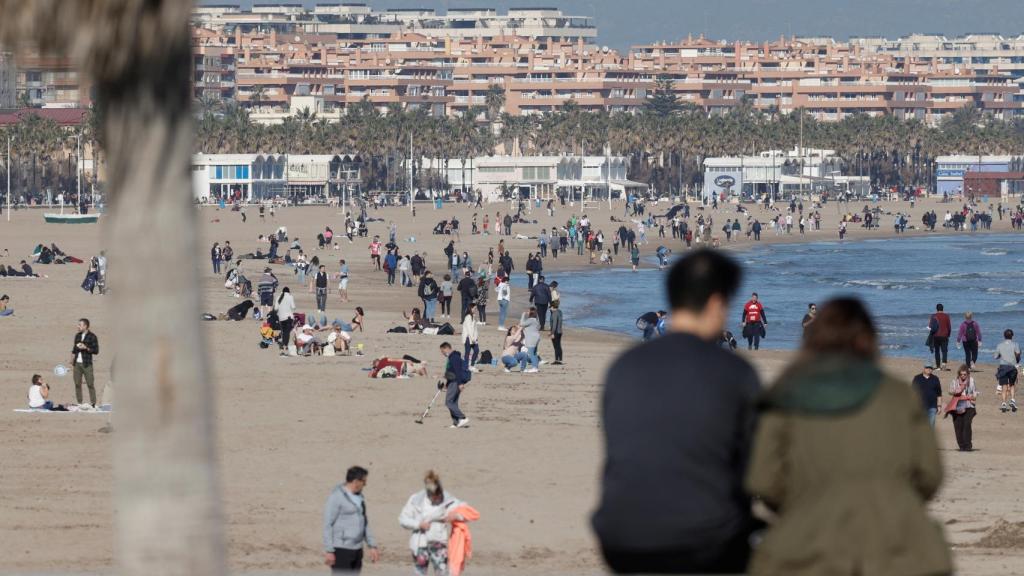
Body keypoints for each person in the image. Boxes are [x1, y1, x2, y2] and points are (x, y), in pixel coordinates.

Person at [746, 297, 951, 576]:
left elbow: (763, 480)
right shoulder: (898, 395)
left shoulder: (786, 394)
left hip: (805, 548)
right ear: (868, 339)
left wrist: (803, 503)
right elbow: (930, 475)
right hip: (896, 546)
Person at [593, 249, 760, 574]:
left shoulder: (624, 366)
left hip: (619, 534)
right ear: (715, 303)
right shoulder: (733, 372)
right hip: (699, 537)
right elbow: (754, 466)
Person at [398, 471, 463, 576]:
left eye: (439, 495)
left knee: (442, 573)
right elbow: (402, 519)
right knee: (420, 573)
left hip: (439, 543)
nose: (438, 498)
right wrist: (419, 524)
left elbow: (465, 510)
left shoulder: (447, 499)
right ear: (429, 493)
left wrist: (456, 515)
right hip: (419, 544)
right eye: (435, 496)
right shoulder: (416, 499)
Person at [322, 466, 380, 573]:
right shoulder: (336, 497)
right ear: (356, 481)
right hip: (341, 549)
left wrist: (372, 545)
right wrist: (329, 550)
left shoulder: (360, 497)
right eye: (364, 481)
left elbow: (365, 522)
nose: (365, 484)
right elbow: (328, 524)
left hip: (357, 549)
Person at [946, 364, 978, 451]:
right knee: (958, 427)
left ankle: (968, 446)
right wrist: (956, 391)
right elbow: (950, 391)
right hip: (957, 406)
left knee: (967, 425)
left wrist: (971, 397)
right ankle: (962, 446)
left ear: (968, 374)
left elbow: (975, 392)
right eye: (961, 374)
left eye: (965, 374)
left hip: (969, 406)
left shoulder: (971, 381)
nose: (963, 376)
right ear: (959, 374)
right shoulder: (954, 381)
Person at [440, 342, 470, 428]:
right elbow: (451, 372)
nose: (443, 353)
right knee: (454, 403)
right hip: (452, 382)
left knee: (448, 402)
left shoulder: (454, 357)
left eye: (442, 351)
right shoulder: (452, 357)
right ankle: (456, 422)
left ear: (446, 348)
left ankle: (462, 417)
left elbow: (457, 372)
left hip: (456, 382)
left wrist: (460, 384)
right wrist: (446, 384)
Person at [71, 318, 100, 407]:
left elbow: (96, 351)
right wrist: (72, 359)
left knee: (90, 383)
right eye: (78, 325)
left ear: (85, 326)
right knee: (77, 384)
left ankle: (93, 403)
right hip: (77, 364)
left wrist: (86, 348)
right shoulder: (77, 336)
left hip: (87, 364)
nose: (78, 326)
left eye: (80, 325)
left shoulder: (92, 336)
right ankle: (79, 403)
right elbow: (74, 349)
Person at [994, 329, 1020, 413]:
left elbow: (995, 356)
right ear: (1012, 336)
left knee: (1004, 386)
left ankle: (1004, 403)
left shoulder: (1000, 345)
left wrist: (1001, 355)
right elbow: (1018, 354)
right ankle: (1012, 399)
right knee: (1012, 385)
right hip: (1012, 367)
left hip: (1003, 367)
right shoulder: (1015, 344)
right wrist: (1016, 360)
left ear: (1004, 336)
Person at [928, 303, 952, 371]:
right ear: (943, 309)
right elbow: (949, 327)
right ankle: (944, 363)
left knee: (937, 351)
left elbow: (930, 327)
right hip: (944, 335)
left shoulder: (933, 316)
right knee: (944, 350)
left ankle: (938, 366)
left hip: (936, 335)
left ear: (936, 309)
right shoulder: (946, 316)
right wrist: (948, 335)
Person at [274, 287, 296, 355]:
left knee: (284, 332)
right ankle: (285, 345)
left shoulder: (278, 297)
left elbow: (275, 308)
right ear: (288, 291)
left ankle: (284, 344)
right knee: (287, 332)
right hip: (288, 317)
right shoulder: (290, 297)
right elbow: (293, 307)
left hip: (281, 318)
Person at [520, 308, 542, 373]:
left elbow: (521, 324)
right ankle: (536, 367)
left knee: (531, 353)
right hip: (537, 337)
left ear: (531, 313)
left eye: (528, 311)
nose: (527, 312)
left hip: (532, 338)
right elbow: (539, 327)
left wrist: (523, 315)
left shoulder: (531, 320)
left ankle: (534, 367)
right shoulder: (536, 320)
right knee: (534, 353)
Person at [461, 303, 480, 370]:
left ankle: (471, 364)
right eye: (474, 308)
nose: (475, 310)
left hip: (473, 338)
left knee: (476, 350)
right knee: (467, 351)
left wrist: (476, 338)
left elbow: (475, 329)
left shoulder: (473, 316)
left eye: (476, 308)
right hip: (468, 338)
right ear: (471, 308)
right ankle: (466, 366)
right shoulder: (468, 317)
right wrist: (472, 338)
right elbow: (469, 329)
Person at [549, 300, 564, 365]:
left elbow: (554, 324)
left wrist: (552, 333)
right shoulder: (560, 312)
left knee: (556, 346)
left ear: (552, 307)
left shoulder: (554, 313)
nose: (550, 309)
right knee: (559, 345)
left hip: (556, 331)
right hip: (560, 331)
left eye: (550, 307)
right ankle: (560, 359)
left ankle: (556, 360)